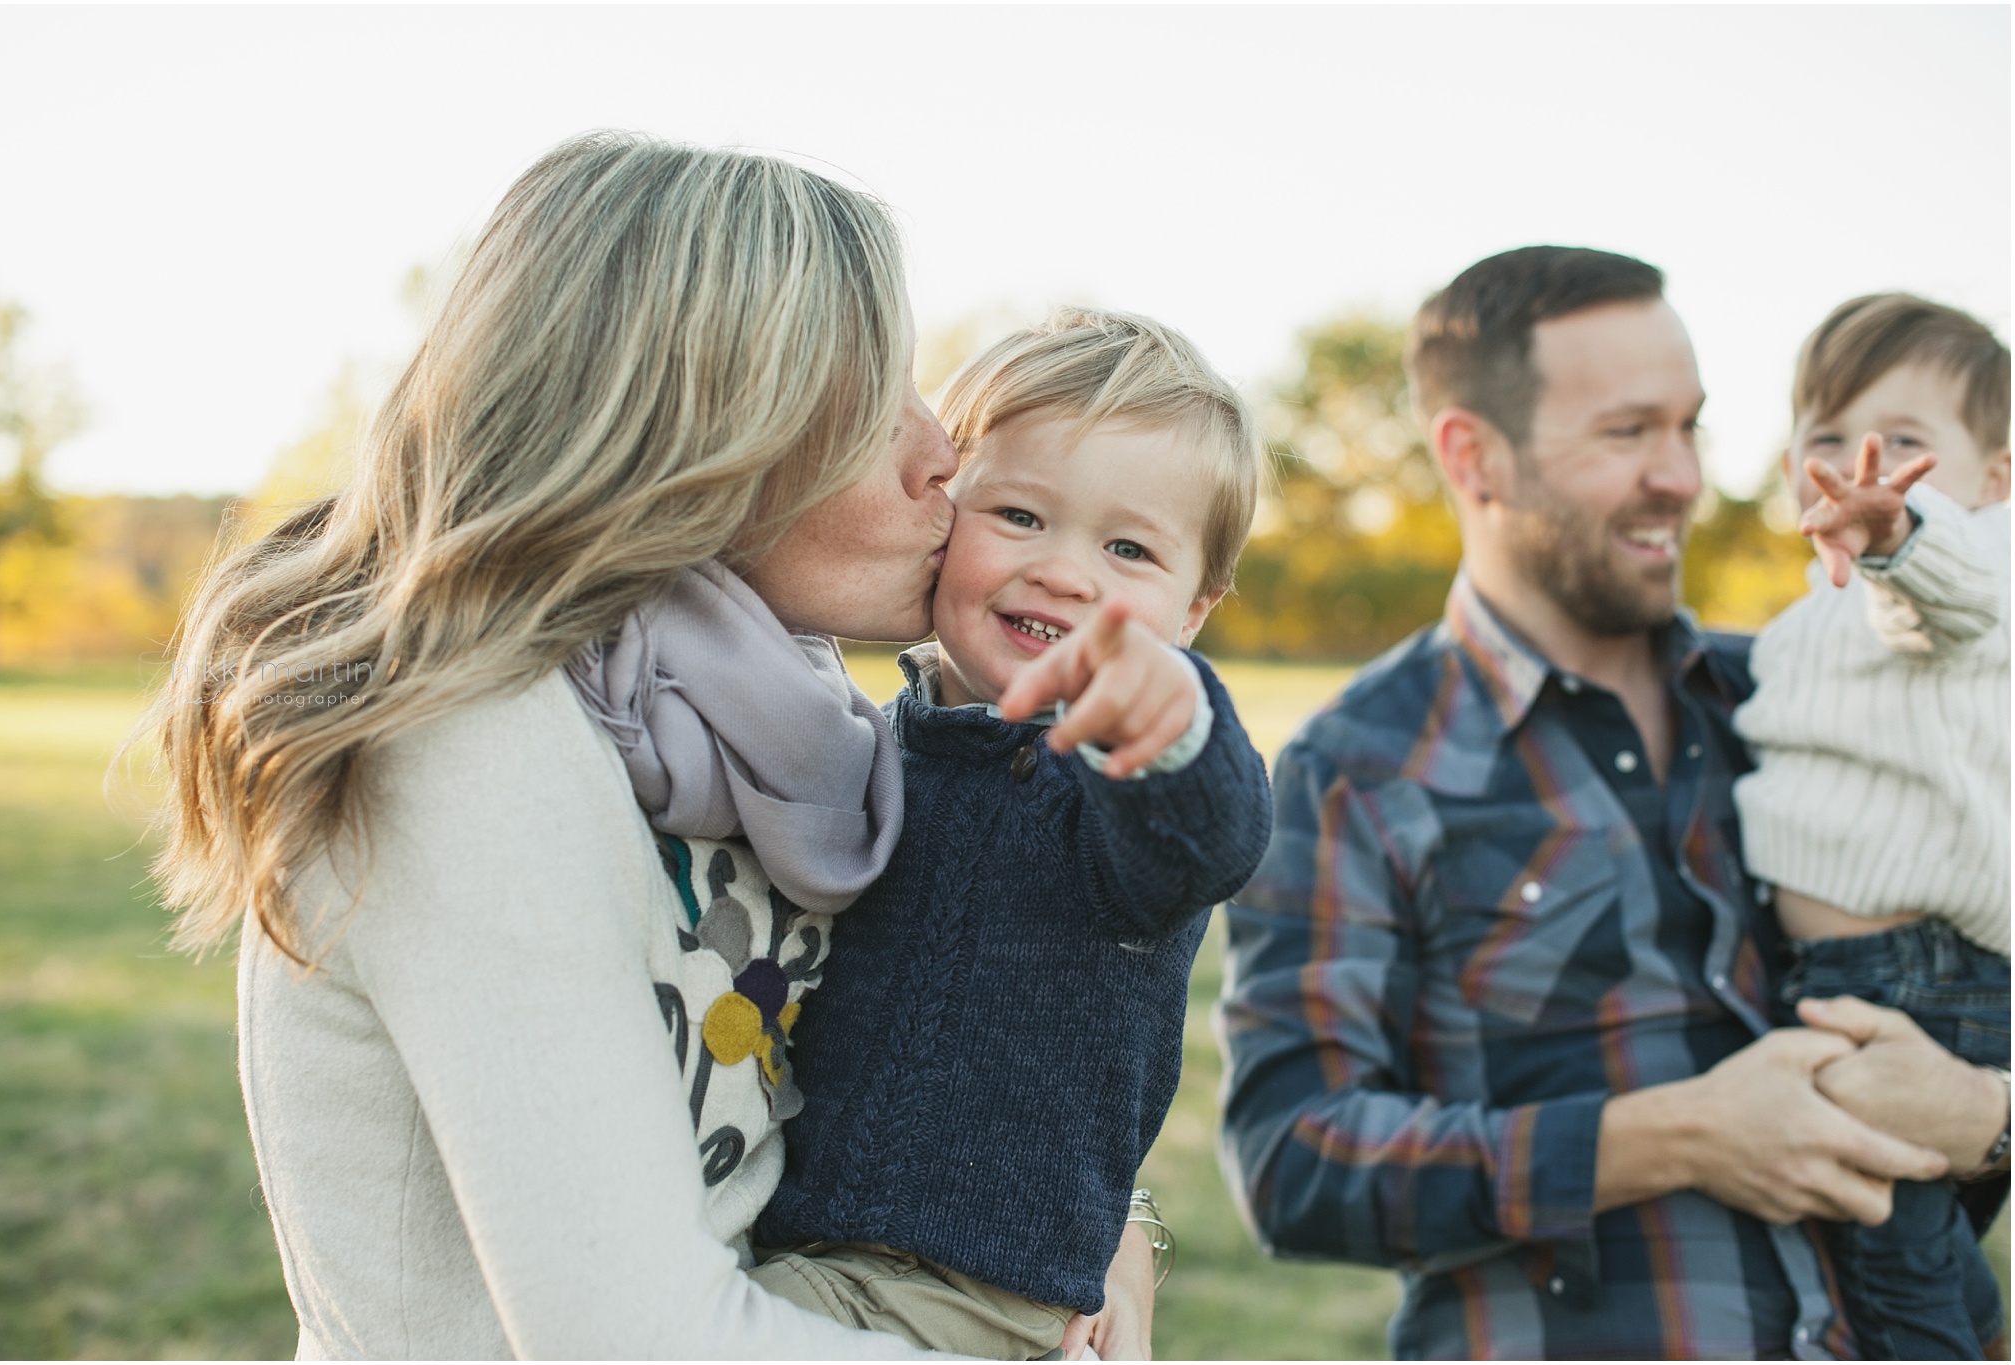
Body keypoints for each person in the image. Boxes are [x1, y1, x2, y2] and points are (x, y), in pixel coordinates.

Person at [142, 132, 1155, 1358]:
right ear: (698, 428)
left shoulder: (769, 724)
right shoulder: (473, 742)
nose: (942, 451)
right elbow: (633, 1336)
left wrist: (1102, 1222)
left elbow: (919, 1068)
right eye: (867, 397)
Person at [1216, 246, 2012, 1358]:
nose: (1683, 476)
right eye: (1626, 433)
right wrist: (1673, 1137)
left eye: (1687, 427)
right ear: (1474, 456)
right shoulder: (1357, 769)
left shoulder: (1805, 701)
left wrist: (1983, 1119)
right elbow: (1293, 1160)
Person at [748, 309, 1274, 1359]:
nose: (1066, 573)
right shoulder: (877, 740)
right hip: (804, 1244)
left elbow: (1208, 845)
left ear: (1191, 613)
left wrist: (1174, 721)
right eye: (1022, 517)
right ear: (945, 511)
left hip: (967, 1297)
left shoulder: (1113, 784)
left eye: (1128, 549)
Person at [1733, 294, 2011, 1358]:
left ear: (1993, 477)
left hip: (1905, 980)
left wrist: (1899, 531)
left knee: (1884, 1283)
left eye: (1902, 443)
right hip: (1887, 973)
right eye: (1824, 434)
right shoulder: (1820, 606)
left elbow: (1942, 592)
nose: (1859, 463)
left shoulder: (1962, 566)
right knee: (1921, 1261)